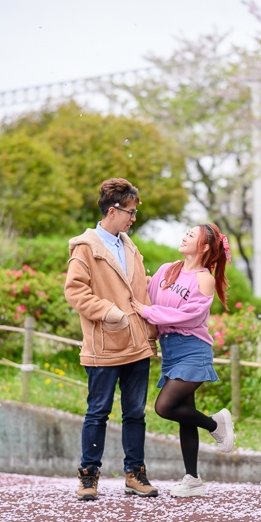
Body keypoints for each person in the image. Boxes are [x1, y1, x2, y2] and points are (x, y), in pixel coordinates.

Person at [64, 178, 159, 501]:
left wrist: (151, 333)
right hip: (104, 346)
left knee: (135, 413)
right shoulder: (85, 248)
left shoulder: (129, 246)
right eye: (131, 212)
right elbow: (75, 291)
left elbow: (140, 292)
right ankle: (88, 476)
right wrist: (108, 312)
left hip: (136, 346)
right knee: (98, 412)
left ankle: (135, 473)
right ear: (113, 210)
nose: (133, 218)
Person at [130, 222, 235, 498]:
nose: (185, 236)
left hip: (193, 349)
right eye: (186, 232)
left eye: (192, 234)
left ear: (203, 247)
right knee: (185, 415)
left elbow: (189, 316)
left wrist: (148, 312)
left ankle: (215, 424)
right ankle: (192, 478)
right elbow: (147, 296)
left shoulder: (204, 279)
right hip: (170, 351)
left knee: (164, 407)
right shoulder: (167, 269)